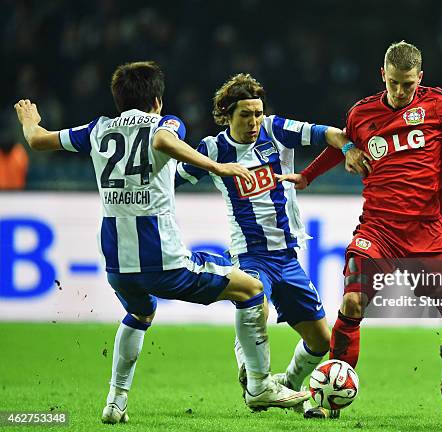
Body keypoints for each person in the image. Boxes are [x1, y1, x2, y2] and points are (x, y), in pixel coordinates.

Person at [13, 62, 309, 424]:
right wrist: (218, 168)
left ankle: (115, 401)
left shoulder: (97, 129)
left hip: (118, 262)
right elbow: (161, 140)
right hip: (163, 259)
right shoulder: (166, 124)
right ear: (157, 100)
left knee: (139, 313)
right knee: (251, 289)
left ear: (118, 99)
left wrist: (29, 118)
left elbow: (37, 140)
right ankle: (260, 385)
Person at [280, 41, 442, 417]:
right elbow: (340, 146)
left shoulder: (440, 105)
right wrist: (307, 176)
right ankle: (330, 398)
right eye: (394, 84)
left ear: (420, 78)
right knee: (352, 302)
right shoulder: (362, 113)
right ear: (382, 75)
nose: (400, 92)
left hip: (427, 235)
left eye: (408, 84)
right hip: (378, 229)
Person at [174, 73, 349, 415]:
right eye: (246, 115)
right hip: (249, 253)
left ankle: (287, 385)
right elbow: (173, 180)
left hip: (287, 255)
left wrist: (349, 147)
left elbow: (328, 133)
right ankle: (256, 379)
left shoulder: (276, 129)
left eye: (257, 113)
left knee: (321, 341)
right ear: (226, 114)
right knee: (254, 301)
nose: (254, 122)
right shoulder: (213, 150)